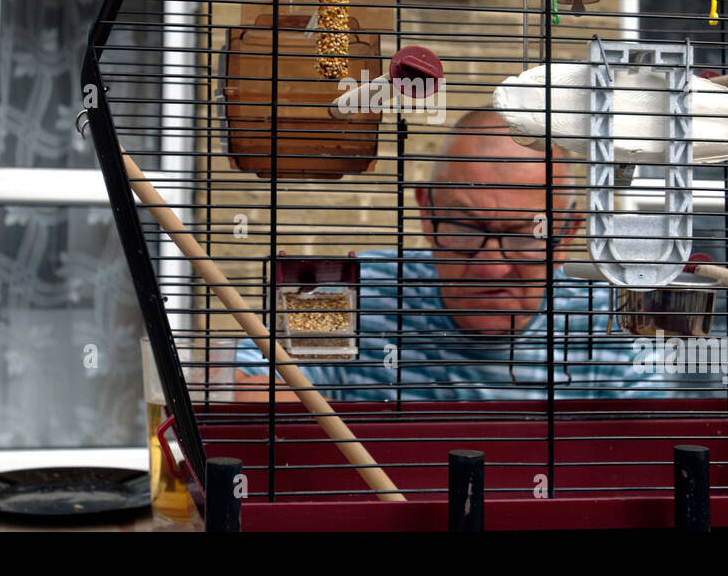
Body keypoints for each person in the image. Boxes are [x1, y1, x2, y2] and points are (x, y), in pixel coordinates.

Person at [234, 109, 667, 401]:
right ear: (427, 212)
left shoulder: (613, 332)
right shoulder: (357, 291)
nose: (493, 267)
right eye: (463, 228)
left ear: (568, 233)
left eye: (523, 237)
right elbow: (247, 387)